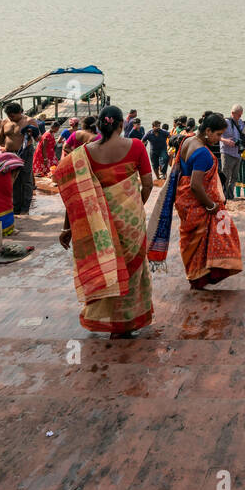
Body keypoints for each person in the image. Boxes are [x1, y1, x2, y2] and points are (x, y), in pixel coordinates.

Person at [54, 106, 154, 336]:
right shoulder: (137, 146)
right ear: (121, 125)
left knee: (107, 266)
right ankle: (126, 321)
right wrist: (134, 205)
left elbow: (74, 194)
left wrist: (66, 227)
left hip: (96, 221)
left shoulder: (84, 154)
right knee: (132, 269)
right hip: (131, 222)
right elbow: (147, 183)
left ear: (99, 125)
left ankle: (109, 320)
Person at [147, 112, 243, 288]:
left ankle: (198, 276)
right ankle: (200, 277)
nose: (219, 139)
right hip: (198, 204)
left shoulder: (188, 140)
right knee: (222, 235)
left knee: (194, 242)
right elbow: (195, 185)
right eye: (218, 134)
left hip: (185, 203)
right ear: (208, 130)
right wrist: (211, 205)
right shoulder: (202, 153)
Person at [0, 102, 38, 215]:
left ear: (20, 112)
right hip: (9, 153)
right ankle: (16, 206)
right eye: (9, 115)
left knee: (25, 179)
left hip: (25, 152)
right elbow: (0, 139)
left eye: (13, 116)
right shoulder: (5, 122)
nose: (11, 118)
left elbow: (38, 137)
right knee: (13, 180)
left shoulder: (29, 121)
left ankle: (25, 207)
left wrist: (32, 133)